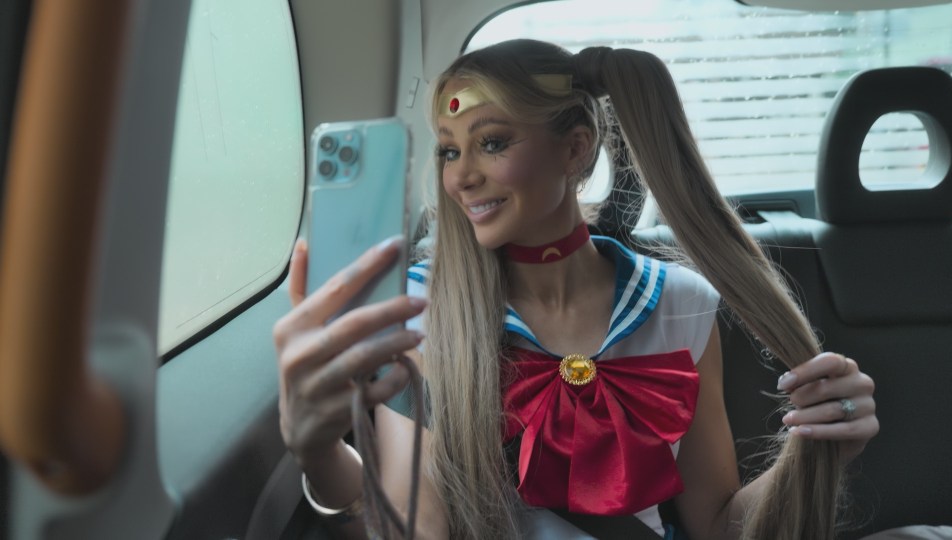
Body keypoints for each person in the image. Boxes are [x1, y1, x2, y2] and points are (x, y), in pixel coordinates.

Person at [272, 39, 879, 540]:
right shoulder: (421, 311)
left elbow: (717, 527)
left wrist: (817, 448)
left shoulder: (681, 305)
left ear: (575, 148)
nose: (461, 176)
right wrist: (321, 453)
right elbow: (419, 531)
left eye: (491, 142)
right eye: (449, 150)